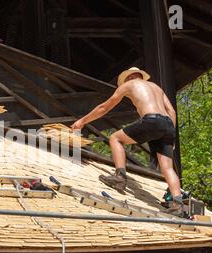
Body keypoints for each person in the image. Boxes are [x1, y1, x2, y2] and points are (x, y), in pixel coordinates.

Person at [71, 67, 184, 217]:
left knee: (115, 138)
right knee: (167, 168)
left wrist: (83, 121)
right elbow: (172, 112)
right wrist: (171, 135)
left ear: (128, 78)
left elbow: (104, 107)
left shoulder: (128, 85)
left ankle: (119, 177)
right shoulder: (157, 88)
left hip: (151, 120)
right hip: (168, 125)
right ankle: (178, 204)